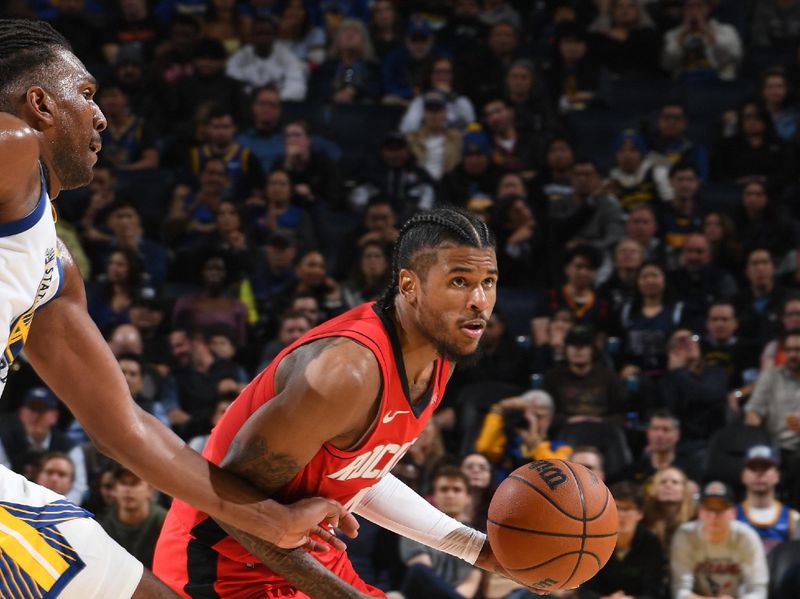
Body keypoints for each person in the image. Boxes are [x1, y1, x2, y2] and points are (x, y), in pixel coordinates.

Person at [0, 19, 353, 598]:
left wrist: (271, 517)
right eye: (85, 94)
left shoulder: (53, 268)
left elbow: (127, 430)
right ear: (39, 103)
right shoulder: (15, 149)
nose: (102, 117)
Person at [154, 208, 540, 598]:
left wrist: (477, 549)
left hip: (307, 558)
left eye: (488, 282)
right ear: (409, 285)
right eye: (460, 281)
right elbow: (229, 503)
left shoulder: (440, 354)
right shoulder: (345, 374)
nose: (479, 301)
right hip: (224, 566)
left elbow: (357, 474)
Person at [671, 481, 768, 599]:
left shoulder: (747, 537)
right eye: (708, 509)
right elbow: (680, 590)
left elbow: (758, 592)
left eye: (720, 509)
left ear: (733, 513)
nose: (713, 516)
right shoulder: (685, 535)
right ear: (699, 511)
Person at [399, 467, 484, 599]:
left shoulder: (478, 539)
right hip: (419, 595)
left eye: (457, 490)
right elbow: (422, 576)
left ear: (468, 498)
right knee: (418, 571)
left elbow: (470, 584)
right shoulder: (414, 527)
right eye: (444, 489)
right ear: (434, 497)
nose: (450, 495)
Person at [582, 480, 667, 599]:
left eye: (627, 509)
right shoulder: (593, 540)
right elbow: (585, 590)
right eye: (616, 507)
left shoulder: (651, 543)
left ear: (640, 513)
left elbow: (654, 591)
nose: (621, 514)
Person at [99, 466, 169, 569]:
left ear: (150, 489)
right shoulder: (102, 524)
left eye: (134, 483)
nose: (127, 489)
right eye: (123, 483)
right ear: (114, 489)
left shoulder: (165, 522)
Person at [736, 445, 800, 554]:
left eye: (765, 467)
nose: (759, 474)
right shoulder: (730, 517)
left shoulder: (794, 519)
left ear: (777, 475)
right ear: (743, 476)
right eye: (753, 468)